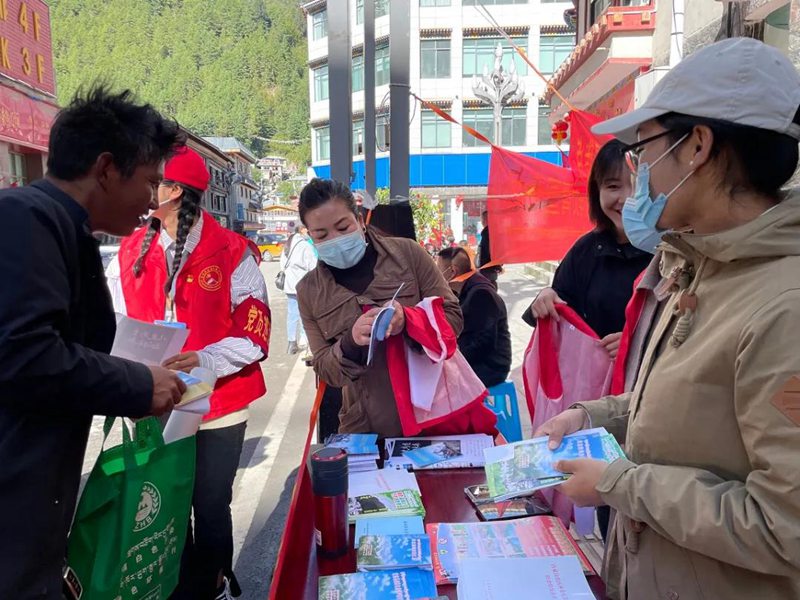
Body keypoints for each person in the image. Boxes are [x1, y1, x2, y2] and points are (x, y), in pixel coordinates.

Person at [536, 38, 800, 599]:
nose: (640, 173)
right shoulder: (696, 264)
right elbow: (683, 407)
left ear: (698, 146)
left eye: (645, 149)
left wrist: (622, 484)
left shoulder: (785, 306)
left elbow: (785, 527)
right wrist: (592, 417)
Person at [0, 87, 187, 599]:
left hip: (36, 504)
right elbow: (24, 354)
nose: (152, 202)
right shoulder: (25, 218)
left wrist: (152, 372)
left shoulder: (66, 227)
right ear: (106, 168)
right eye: (149, 182)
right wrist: (135, 382)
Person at [107, 146, 270, 600]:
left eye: (150, 181)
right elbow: (113, 323)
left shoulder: (233, 251)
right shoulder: (128, 252)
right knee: (165, 500)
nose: (140, 190)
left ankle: (213, 583)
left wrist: (205, 359)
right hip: (154, 399)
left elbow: (255, 332)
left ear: (174, 191)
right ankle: (175, 585)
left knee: (210, 503)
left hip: (220, 403)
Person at [295, 178, 463, 437]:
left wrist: (408, 320)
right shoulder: (309, 291)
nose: (335, 239)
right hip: (366, 428)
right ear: (310, 237)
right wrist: (350, 342)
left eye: (343, 227)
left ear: (360, 221)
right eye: (322, 235)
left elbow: (453, 318)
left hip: (435, 411)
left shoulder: (408, 255)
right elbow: (326, 369)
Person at [526, 140, 651, 361]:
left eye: (638, 185)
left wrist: (638, 341)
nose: (627, 198)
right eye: (613, 186)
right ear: (597, 191)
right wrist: (547, 296)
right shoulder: (585, 251)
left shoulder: (669, 250)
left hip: (649, 384)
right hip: (591, 381)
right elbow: (561, 308)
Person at [436, 246, 511, 389]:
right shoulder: (464, 290)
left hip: (490, 366)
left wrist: (453, 360)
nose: (435, 275)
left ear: (452, 272)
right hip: (479, 360)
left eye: (437, 270)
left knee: (439, 385)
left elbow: (483, 343)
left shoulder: (481, 294)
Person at [281, 225, 317, 359]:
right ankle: (305, 340)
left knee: (292, 314)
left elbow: (282, 265)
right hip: (303, 284)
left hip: (289, 284)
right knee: (305, 312)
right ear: (302, 230)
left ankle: (291, 343)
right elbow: (313, 266)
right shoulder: (304, 245)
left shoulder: (288, 245)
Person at [477, 210, 501, 287]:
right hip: (489, 270)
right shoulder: (491, 233)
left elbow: (491, 251)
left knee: (488, 289)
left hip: (487, 270)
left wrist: (497, 265)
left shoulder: (488, 233)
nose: (482, 222)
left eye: (483, 219)